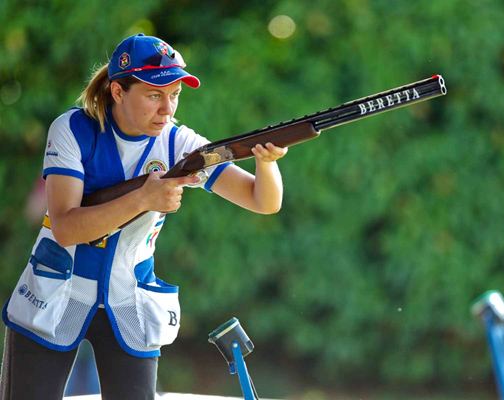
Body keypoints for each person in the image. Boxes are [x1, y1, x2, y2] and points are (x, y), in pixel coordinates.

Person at [0, 33, 288, 400]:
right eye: (154, 95)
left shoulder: (179, 142)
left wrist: (266, 164)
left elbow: (262, 201)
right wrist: (143, 198)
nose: (167, 109)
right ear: (118, 91)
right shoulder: (73, 129)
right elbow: (66, 228)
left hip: (129, 302)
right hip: (53, 294)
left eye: (175, 95)